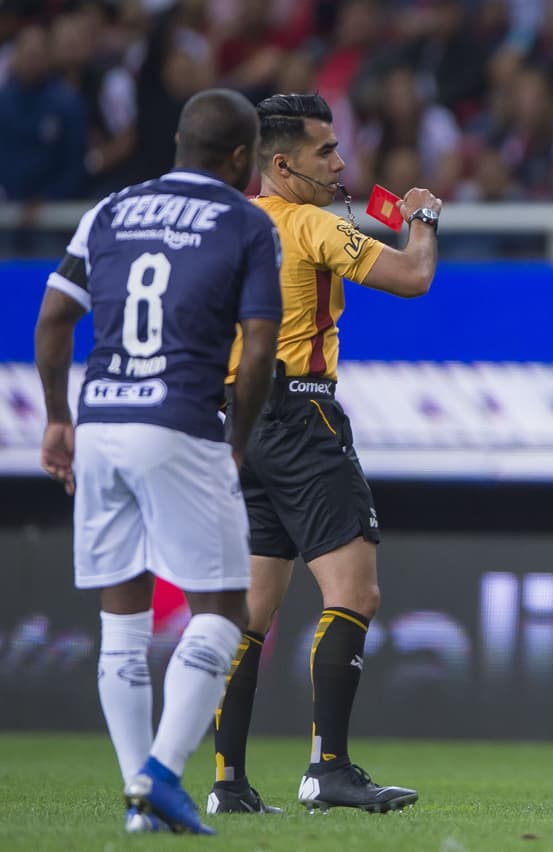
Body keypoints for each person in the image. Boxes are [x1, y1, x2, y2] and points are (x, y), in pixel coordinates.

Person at [33, 88, 282, 835]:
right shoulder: (245, 220)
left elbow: (51, 319)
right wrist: (237, 438)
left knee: (123, 621)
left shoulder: (108, 211)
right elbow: (262, 345)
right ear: (242, 158)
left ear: (178, 141)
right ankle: (165, 777)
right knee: (225, 609)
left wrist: (56, 418)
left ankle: (139, 800)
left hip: (102, 419)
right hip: (178, 417)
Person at [207, 92, 442, 815]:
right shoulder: (311, 223)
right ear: (282, 163)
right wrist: (424, 220)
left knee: (251, 610)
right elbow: (412, 278)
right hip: (302, 414)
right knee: (354, 593)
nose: (340, 163)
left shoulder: (229, 223)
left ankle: (226, 784)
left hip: (236, 420)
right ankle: (327, 769)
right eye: (325, 153)